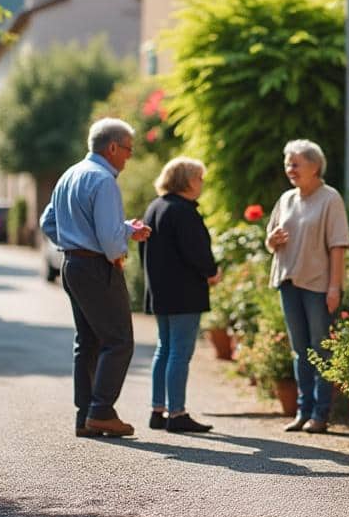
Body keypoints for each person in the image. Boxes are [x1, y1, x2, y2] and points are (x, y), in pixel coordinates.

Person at [40, 118, 153, 438]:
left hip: (72, 264)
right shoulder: (103, 180)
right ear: (113, 147)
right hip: (96, 267)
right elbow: (107, 237)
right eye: (128, 150)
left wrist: (75, 240)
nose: (129, 158)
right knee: (119, 341)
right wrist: (118, 249)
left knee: (87, 341)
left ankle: (85, 414)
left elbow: (48, 221)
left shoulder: (69, 174)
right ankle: (102, 411)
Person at [265, 139, 349, 434]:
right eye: (288, 163)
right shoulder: (286, 199)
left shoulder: (330, 199)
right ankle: (302, 412)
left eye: (295, 163)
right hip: (289, 281)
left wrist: (334, 288)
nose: (290, 169)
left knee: (320, 350)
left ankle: (320, 414)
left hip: (318, 286)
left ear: (315, 167)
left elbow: (338, 246)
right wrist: (272, 241)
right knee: (300, 351)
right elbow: (270, 240)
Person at [141, 157, 221, 434]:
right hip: (184, 293)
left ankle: (157, 410)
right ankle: (177, 413)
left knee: (164, 348)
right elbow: (196, 250)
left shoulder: (155, 207)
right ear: (187, 180)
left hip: (161, 291)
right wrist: (212, 272)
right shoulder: (184, 211)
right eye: (199, 178)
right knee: (180, 352)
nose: (201, 184)